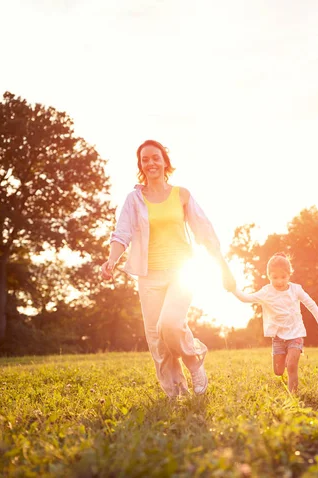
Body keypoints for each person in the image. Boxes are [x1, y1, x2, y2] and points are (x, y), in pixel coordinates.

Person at [100, 139, 236, 397]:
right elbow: (122, 233)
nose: (151, 163)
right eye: (145, 159)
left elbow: (204, 231)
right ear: (141, 166)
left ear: (165, 161)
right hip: (149, 275)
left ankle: (194, 360)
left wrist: (223, 269)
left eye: (155, 157)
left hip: (183, 272)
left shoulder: (181, 195)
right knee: (157, 340)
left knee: (171, 324)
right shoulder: (134, 199)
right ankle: (177, 393)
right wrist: (112, 260)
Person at [231, 253, 318, 393]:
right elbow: (247, 298)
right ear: (269, 275)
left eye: (283, 277)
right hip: (278, 338)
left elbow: (310, 304)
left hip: (295, 334)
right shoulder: (266, 292)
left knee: (292, 366)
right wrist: (233, 289)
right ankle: (287, 359)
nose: (279, 281)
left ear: (289, 275)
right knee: (278, 371)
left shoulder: (295, 289)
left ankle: (293, 397)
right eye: (275, 277)